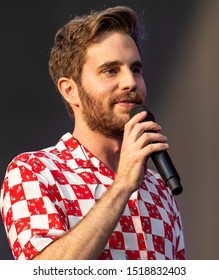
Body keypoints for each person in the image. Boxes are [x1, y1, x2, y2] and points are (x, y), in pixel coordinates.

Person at [0, 6, 186, 260]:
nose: (130, 82)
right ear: (70, 90)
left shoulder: (159, 189)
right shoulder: (34, 172)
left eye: (135, 69)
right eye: (111, 70)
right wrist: (121, 187)